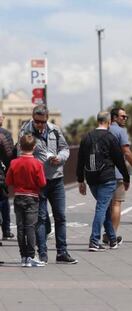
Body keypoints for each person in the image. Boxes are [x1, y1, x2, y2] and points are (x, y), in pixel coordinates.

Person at [19, 104, 77, 264]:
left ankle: (62, 252)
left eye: (42, 121)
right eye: (36, 121)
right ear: (33, 117)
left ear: (47, 119)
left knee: (60, 216)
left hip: (57, 178)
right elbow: (20, 154)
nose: (39, 125)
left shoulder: (55, 130)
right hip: (38, 182)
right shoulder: (25, 131)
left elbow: (65, 149)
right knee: (41, 218)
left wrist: (60, 158)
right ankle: (43, 254)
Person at [76, 112, 130, 251]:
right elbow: (119, 159)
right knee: (101, 208)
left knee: (104, 207)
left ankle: (112, 240)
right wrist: (126, 177)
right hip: (107, 178)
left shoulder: (87, 137)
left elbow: (80, 160)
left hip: (92, 178)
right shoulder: (110, 137)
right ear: (108, 122)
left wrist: (81, 180)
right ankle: (94, 240)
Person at [6, 134, 46, 267]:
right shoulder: (37, 163)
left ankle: (23, 256)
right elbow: (42, 182)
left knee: (20, 227)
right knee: (30, 227)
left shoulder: (14, 162)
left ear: (20, 146)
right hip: (32, 197)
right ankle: (31, 256)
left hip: (18, 196)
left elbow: (8, 181)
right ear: (34, 147)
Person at [106, 108, 132, 244]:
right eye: (122, 117)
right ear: (114, 117)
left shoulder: (106, 130)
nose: (125, 119)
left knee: (106, 205)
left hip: (103, 172)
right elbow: (126, 152)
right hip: (116, 173)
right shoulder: (120, 132)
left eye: (126, 117)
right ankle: (112, 235)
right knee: (116, 204)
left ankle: (106, 233)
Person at [0, 111, 15, 241]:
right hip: (2, 174)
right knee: (4, 201)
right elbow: (9, 155)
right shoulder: (5, 134)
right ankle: (6, 230)